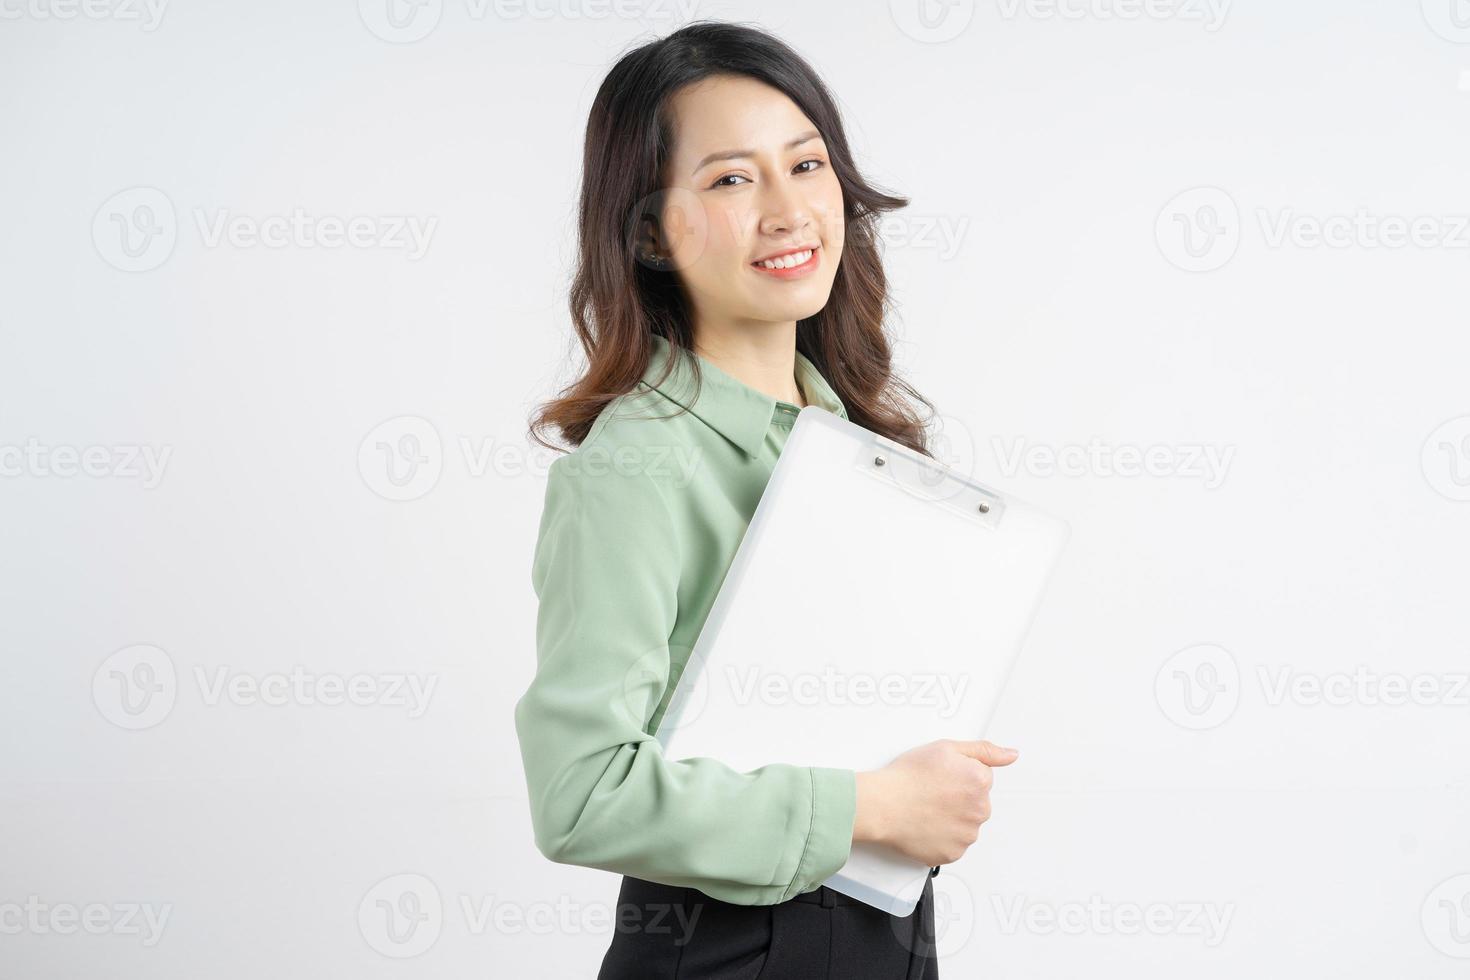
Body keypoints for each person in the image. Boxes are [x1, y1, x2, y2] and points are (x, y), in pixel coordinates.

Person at [515, 21, 1020, 979]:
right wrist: (872, 808)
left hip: (884, 938)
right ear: (650, 231)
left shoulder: (858, 452)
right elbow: (580, 795)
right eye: (731, 180)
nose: (789, 210)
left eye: (807, 164)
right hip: (727, 954)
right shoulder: (636, 468)